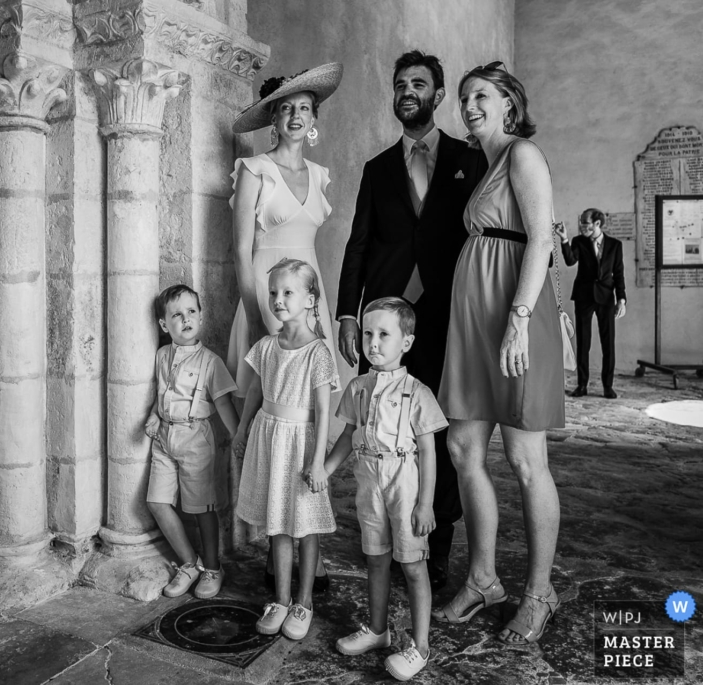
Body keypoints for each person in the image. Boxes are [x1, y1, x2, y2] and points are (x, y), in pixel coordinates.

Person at [337, 50, 488, 592]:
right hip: (385, 321)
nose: (407, 91)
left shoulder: (470, 159)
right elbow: (358, 244)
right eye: (400, 83)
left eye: (418, 84)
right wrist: (348, 313)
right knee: (381, 427)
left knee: (438, 430)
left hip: (450, 316)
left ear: (437, 95)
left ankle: (435, 544)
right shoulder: (377, 168)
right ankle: (381, 533)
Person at [433, 63, 563, 645]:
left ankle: (540, 592)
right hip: (474, 323)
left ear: (509, 103)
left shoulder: (522, 154)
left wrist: (519, 320)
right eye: (464, 98)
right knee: (463, 447)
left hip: (514, 316)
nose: (469, 105)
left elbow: (541, 237)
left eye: (481, 95)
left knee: (525, 457)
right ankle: (483, 579)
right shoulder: (483, 164)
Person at [228, 61, 343, 592]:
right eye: (285, 108)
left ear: (313, 118)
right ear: (272, 119)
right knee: (267, 416)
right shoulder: (255, 170)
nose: (295, 115)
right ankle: (270, 541)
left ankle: (309, 545)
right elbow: (241, 250)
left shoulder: (319, 176)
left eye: (304, 108)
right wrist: (258, 316)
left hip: (310, 303)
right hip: (265, 298)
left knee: (309, 420)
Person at [325, 297, 447, 681]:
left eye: (383, 334)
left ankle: (420, 646)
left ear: (406, 342)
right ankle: (378, 630)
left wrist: (426, 504)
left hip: (404, 483)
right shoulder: (358, 387)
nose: (373, 343)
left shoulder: (417, 392)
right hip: (368, 480)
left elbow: (429, 452)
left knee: (412, 564)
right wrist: (325, 469)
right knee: (375, 557)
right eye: (367, 334)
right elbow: (348, 434)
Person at [233, 258, 338, 641]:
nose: (278, 299)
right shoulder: (266, 346)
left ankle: (304, 602)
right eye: (274, 292)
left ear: (310, 299)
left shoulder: (318, 353)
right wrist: (242, 429)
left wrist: (318, 461)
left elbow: (323, 411)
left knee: (305, 525)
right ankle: (280, 599)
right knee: (276, 522)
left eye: (288, 292)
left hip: (300, 444)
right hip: (269, 438)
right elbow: (254, 392)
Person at [145, 284, 240, 599]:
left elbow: (223, 403)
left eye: (191, 311)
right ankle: (190, 563)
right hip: (164, 438)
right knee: (156, 502)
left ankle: (212, 567)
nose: (186, 319)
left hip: (195, 437)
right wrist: (154, 415)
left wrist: (239, 437)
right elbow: (163, 392)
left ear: (200, 316)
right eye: (177, 315)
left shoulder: (210, 362)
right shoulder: (162, 355)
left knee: (202, 508)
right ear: (164, 325)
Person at [557, 209, 627, 398]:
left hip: (606, 298)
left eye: (585, 223)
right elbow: (570, 261)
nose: (582, 226)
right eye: (581, 222)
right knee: (583, 343)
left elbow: (619, 274)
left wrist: (621, 299)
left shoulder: (615, 245)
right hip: (584, 297)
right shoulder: (578, 241)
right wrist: (564, 239)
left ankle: (608, 386)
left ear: (597, 223)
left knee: (608, 344)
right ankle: (582, 385)